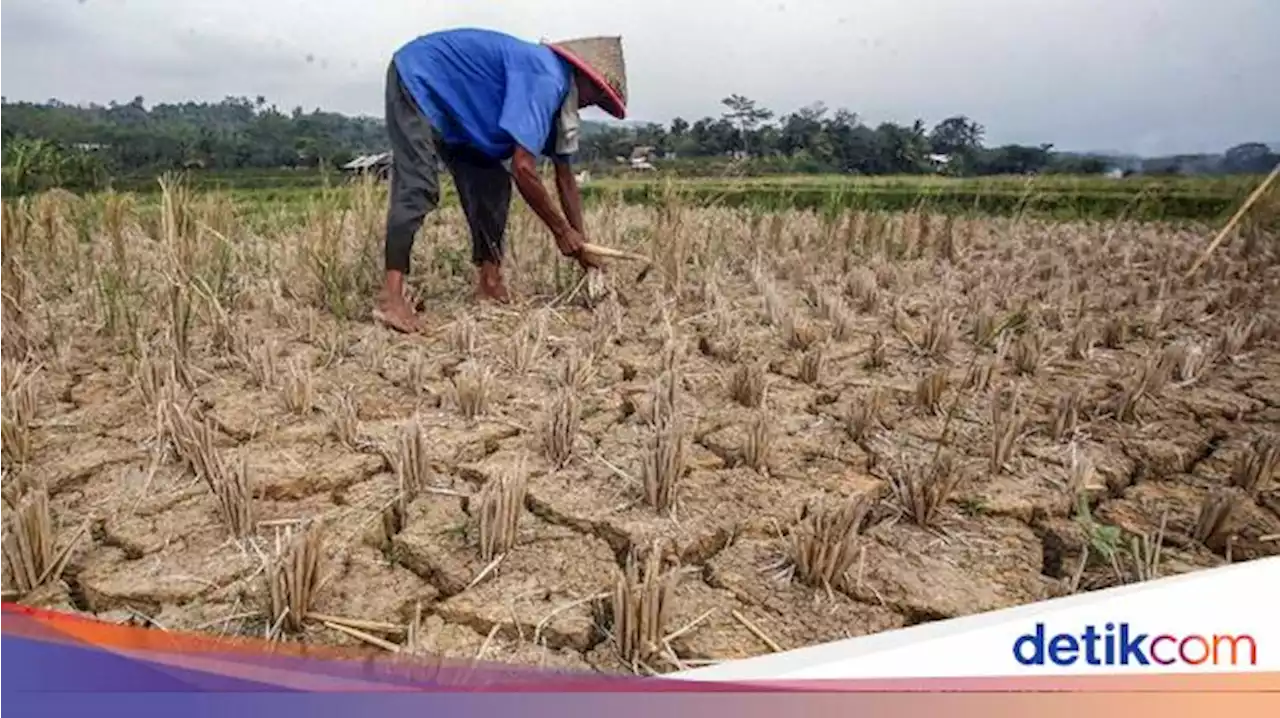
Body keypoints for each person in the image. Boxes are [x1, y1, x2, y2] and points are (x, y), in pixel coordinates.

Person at [373, 28, 628, 333]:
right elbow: (524, 168)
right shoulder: (547, 78)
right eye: (596, 96)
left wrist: (582, 244)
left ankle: (489, 283)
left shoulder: (561, 97)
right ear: (583, 77)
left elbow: (565, 175)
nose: (591, 105)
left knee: (493, 183)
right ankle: (391, 297)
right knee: (418, 186)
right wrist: (561, 231)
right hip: (418, 77)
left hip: (463, 115)